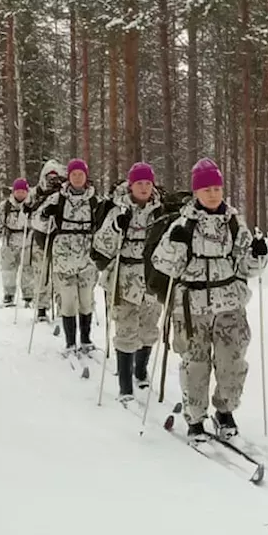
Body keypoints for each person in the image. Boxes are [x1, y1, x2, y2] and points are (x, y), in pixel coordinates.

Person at [150, 158, 268, 440]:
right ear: (196, 193)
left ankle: (225, 412)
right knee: (196, 365)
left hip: (230, 307)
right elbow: (162, 263)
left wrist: (258, 254)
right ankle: (194, 419)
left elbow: (249, 268)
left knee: (233, 363)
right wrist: (173, 244)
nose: (213, 194)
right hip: (192, 309)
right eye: (207, 189)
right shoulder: (183, 225)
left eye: (217, 188)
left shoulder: (236, 225)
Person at [92, 162, 167, 402]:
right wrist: (116, 227)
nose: (144, 188)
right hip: (123, 277)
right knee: (126, 329)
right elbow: (100, 247)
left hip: (151, 277)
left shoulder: (161, 211)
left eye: (147, 183)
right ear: (131, 185)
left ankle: (141, 369)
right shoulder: (118, 209)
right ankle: (125, 385)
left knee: (148, 328)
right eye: (139, 183)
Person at [32, 158, 103, 355]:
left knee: (86, 300)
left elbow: (105, 226)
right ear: (69, 177)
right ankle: (70, 342)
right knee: (69, 301)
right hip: (64, 256)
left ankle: (86, 339)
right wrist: (46, 216)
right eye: (74, 174)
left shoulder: (95, 200)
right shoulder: (57, 199)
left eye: (81, 174)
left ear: (86, 177)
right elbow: (37, 221)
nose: (78, 178)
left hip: (87, 256)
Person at [29, 161, 67, 322]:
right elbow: (29, 214)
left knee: (60, 276)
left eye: (55, 176)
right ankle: (41, 307)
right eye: (49, 177)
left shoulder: (64, 193)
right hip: (40, 237)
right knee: (41, 274)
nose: (52, 180)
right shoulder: (36, 192)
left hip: (60, 239)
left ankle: (63, 307)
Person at [0, 178, 35, 308]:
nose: (20, 194)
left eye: (23, 191)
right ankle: (9, 294)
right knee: (8, 269)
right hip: (10, 240)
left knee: (28, 269)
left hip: (28, 240)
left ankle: (29, 295)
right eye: (18, 191)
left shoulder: (32, 204)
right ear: (13, 192)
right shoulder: (5, 206)